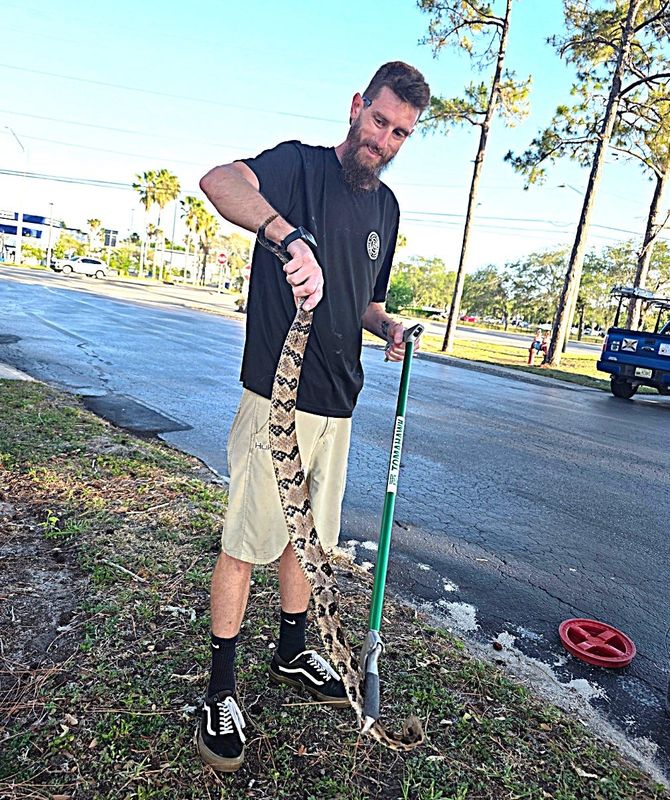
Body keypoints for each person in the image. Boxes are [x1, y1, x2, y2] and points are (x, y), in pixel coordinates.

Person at [196, 61, 430, 772]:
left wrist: (388, 326)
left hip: (338, 404)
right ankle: (220, 690)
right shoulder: (296, 167)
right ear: (357, 106)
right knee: (248, 539)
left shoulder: (387, 209)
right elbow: (218, 182)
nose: (384, 140)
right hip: (278, 399)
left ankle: (294, 650)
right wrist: (285, 235)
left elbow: (364, 302)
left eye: (400, 133)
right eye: (379, 121)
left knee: (310, 543)